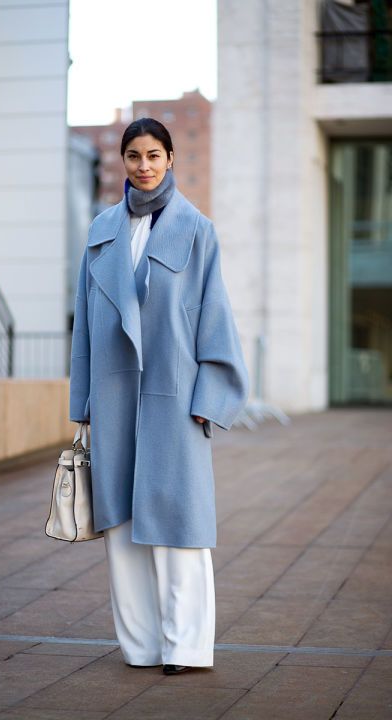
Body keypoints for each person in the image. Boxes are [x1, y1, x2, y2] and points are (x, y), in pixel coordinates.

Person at [69, 118, 249, 675]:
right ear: (120, 162)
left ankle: (188, 648)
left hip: (175, 400)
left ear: (170, 158)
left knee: (180, 528)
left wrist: (209, 398)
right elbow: (84, 331)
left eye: (153, 155)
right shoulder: (101, 233)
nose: (143, 166)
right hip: (115, 401)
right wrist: (82, 408)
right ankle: (142, 647)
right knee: (121, 529)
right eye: (132, 156)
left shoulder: (198, 231)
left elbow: (216, 317)